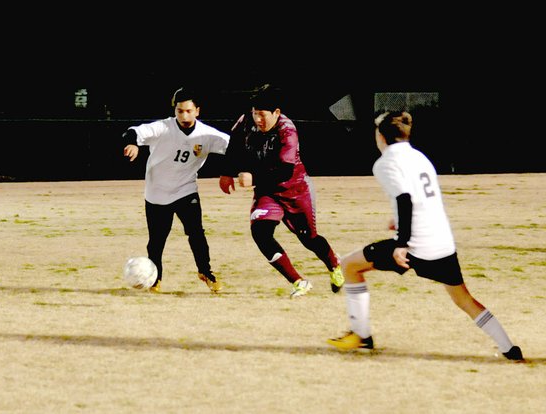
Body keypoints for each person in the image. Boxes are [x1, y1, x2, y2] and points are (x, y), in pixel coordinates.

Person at [326, 111, 524, 361]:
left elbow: (405, 199)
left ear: (381, 136)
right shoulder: (419, 157)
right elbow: (419, 199)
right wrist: (397, 222)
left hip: (416, 246)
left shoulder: (385, 163)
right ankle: (509, 348)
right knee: (463, 299)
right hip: (442, 242)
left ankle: (361, 335)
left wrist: (402, 243)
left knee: (349, 266)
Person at [219, 86, 343, 298]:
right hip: (268, 191)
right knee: (260, 232)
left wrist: (254, 178)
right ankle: (298, 282)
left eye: (262, 115)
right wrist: (226, 173)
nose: (257, 119)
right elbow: (234, 145)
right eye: (254, 113)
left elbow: (285, 171)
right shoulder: (246, 121)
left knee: (309, 238)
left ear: (276, 113)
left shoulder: (287, 130)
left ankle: (334, 264)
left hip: (295, 189)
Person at [123, 87, 230, 293]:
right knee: (157, 240)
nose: (184, 115)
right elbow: (134, 131)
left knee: (196, 233)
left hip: (185, 190)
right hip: (157, 194)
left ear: (197, 111)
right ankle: (155, 279)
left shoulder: (207, 135)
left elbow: (234, 149)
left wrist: (231, 171)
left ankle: (205, 272)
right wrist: (132, 143)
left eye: (189, 111)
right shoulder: (163, 128)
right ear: (175, 111)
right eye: (180, 111)